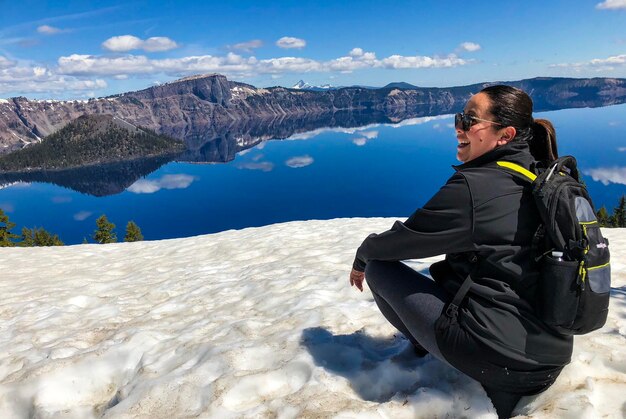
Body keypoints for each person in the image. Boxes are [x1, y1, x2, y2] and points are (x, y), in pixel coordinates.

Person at [349, 85, 571, 419]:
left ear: (504, 135)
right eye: (459, 117)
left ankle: (427, 345)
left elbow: (397, 242)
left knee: (379, 266)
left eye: (469, 120)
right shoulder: (543, 173)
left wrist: (361, 259)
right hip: (551, 354)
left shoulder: (478, 187)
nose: (459, 127)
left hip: (504, 362)